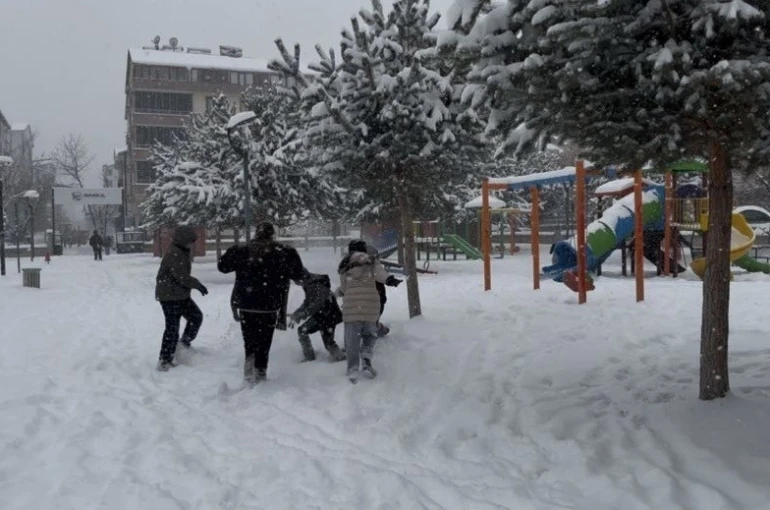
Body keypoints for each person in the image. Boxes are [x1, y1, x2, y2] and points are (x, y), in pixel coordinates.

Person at [218, 222, 305, 385]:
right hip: (269, 305)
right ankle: (260, 372)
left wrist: (233, 251)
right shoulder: (284, 251)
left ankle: (249, 366)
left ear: (256, 233)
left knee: (249, 339)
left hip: (246, 302)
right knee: (265, 340)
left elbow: (222, 267)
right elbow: (298, 274)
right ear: (272, 235)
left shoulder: (242, 250)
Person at [154, 226, 208, 371]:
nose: (192, 243)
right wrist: (198, 285)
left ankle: (183, 346)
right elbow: (181, 277)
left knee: (196, 317)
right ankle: (165, 360)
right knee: (172, 327)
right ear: (183, 239)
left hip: (179, 294)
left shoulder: (181, 251)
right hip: (170, 295)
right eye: (190, 240)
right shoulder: (175, 253)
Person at [337, 239, 389, 383]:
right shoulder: (371, 261)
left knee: (352, 340)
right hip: (370, 304)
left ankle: (353, 369)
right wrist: (390, 279)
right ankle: (366, 357)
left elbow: (344, 288)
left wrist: (337, 293)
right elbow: (381, 275)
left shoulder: (345, 265)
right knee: (370, 334)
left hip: (351, 306)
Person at [288, 271, 346, 362]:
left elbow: (316, 304)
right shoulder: (309, 284)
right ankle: (340, 358)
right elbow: (307, 302)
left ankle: (311, 358)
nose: (297, 284)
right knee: (328, 343)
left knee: (303, 331)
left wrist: (301, 315)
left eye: (297, 281)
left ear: (302, 278)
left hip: (327, 315)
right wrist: (297, 313)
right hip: (325, 315)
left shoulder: (317, 285)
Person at [364, 245, 402, 337]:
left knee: (372, 320)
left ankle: (377, 329)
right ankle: (351, 343)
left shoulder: (374, 265)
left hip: (375, 298)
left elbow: (380, 274)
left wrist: (389, 280)